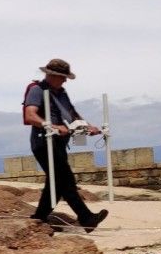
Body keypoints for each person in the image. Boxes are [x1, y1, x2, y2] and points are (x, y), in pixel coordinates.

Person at [23, 58, 109, 232]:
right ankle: (86, 217)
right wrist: (52, 126)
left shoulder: (61, 93)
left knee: (55, 182)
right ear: (51, 75)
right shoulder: (37, 90)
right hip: (43, 141)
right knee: (65, 180)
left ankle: (39, 217)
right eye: (62, 77)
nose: (65, 80)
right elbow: (29, 116)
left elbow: (72, 115)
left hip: (59, 142)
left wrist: (87, 127)